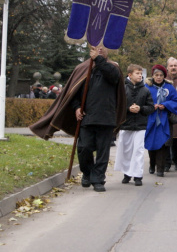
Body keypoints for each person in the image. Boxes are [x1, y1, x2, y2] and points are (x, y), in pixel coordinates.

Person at [30, 45, 127, 192]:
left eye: (103, 47)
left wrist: (98, 60)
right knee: (84, 148)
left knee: (102, 151)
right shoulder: (82, 68)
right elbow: (72, 94)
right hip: (87, 117)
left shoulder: (113, 67)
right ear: (91, 49)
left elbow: (113, 78)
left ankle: (98, 179)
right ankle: (87, 173)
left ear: (107, 50)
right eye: (97, 47)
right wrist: (76, 107)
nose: (100, 49)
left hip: (106, 116)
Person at [114, 64, 155, 186]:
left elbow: (151, 107)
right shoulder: (122, 89)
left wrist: (141, 108)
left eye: (141, 73)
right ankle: (127, 173)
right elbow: (117, 106)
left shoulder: (145, 90)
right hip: (126, 125)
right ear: (130, 75)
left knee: (138, 150)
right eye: (137, 73)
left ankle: (138, 175)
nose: (140, 75)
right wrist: (128, 109)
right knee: (126, 150)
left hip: (140, 125)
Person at [145, 65, 177, 177]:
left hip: (165, 120)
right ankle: (152, 164)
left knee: (163, 144)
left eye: (161, 75)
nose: (158, 77)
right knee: (152, 142)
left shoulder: (169, 87)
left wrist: (165, 105)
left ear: (164, 76)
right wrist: (151, 106)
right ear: (152, 75)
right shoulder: (147, 87)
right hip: (151, 119)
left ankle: (160, 169)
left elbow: (176, 102)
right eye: (156, 75)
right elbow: (143, 101)